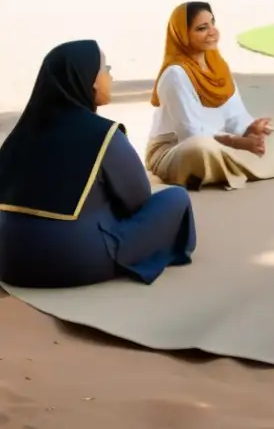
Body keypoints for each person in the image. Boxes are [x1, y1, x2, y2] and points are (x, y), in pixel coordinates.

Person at [0, 41, 195, 288]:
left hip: (9, 261)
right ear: (90, 78)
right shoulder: (103, 135)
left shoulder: (21, 133)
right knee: (176, 198)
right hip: (71, 262)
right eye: (106, 69)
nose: (110, 76)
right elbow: (138, 200)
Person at [146, 2, 274, 190]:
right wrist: (238, 142)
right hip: (176, 148)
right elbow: (190, 133)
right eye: (202, 28)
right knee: (200, 148)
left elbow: (234, 115)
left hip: (223, 142)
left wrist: (251, 128)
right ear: (182, 35)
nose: (212, 32)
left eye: (212, 24)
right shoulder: (175, 74)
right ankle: (239, 164)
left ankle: (226, 167)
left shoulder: (218, 66)